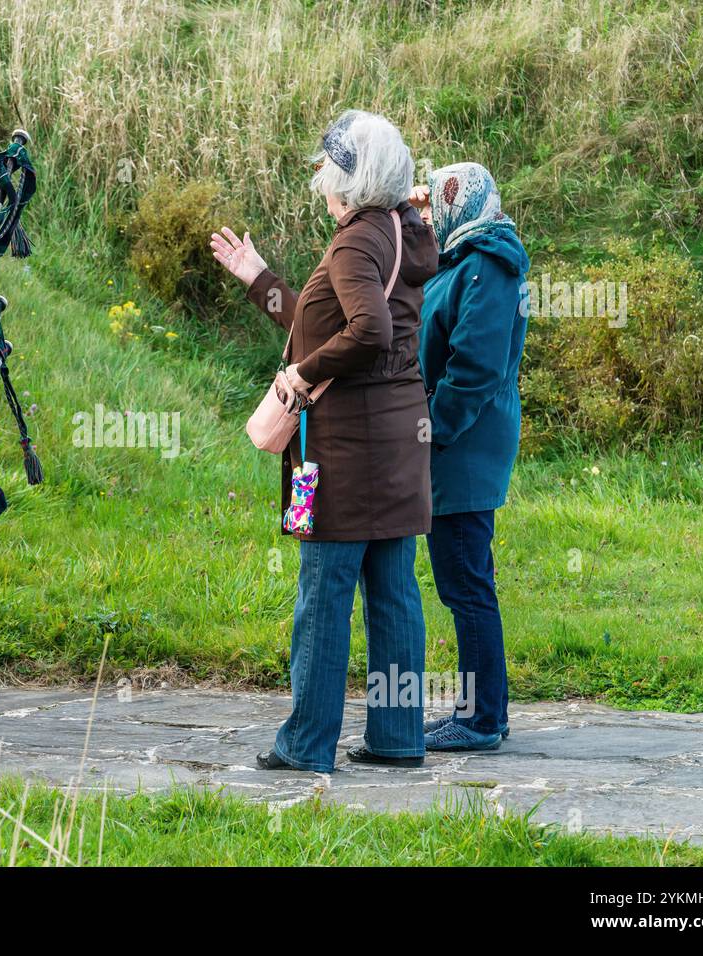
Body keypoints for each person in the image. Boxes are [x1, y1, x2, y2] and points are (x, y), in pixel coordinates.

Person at [211, 110, 439, 771]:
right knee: (393, 589)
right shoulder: (397, 229)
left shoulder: (353, 244)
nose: (321, 182)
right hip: (395, 441)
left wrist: (302, 377)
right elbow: (326, 320)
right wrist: (259, 278)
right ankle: (398, 738)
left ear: (350, 175)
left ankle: (306, 744)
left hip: (337, 449)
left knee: (322, 595)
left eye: (328, 169)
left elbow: (365, 332)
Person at [408, 162, 530, 751]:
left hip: (463, 445)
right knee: (465, 579)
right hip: (460, 441)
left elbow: (475, 370)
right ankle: (480, 712)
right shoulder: (468, 257)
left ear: (464, 203)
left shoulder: (485, 265)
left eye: (438, 201)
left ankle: (483, 720)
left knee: (465, 581)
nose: (430, 212)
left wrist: (431, 428)